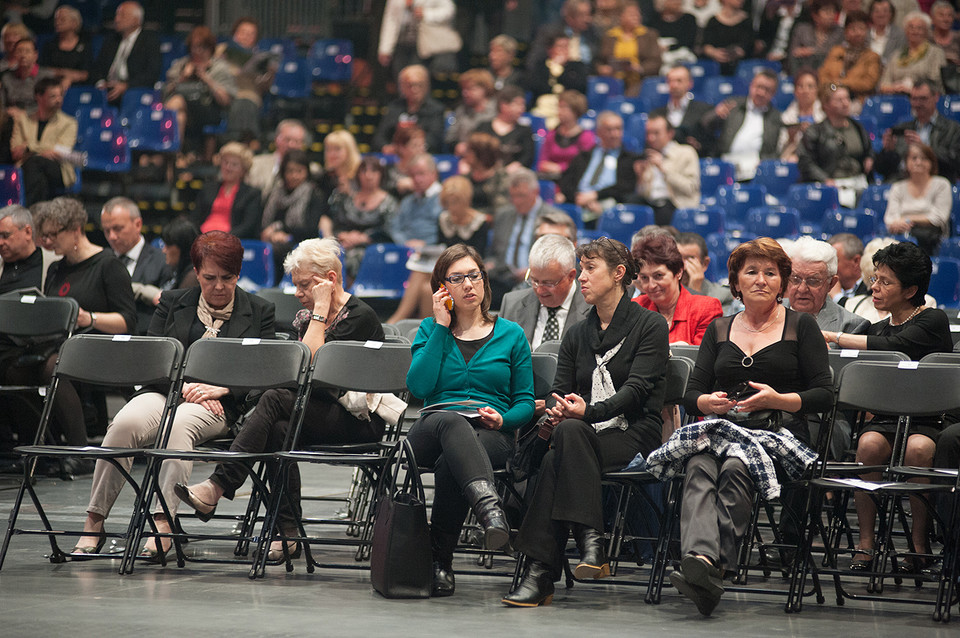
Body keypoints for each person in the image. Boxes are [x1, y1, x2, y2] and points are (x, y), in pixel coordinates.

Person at [176, 238, 385, 562]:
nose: (298, 293)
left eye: (304, 285)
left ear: (329, 280)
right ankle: (288, 534)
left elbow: (311, 369)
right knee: (276, 431)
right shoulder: (307, 318)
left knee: (275, 399)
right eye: (296, 285)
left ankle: (218, 485)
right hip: (309, 412)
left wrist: (319, 308)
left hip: (356, 421)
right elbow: (293, 375)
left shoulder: (360, 316)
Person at [72, 231, 275, 560]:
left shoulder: (261, 311)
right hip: (169, 390)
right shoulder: (172, 302)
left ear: (238, 274)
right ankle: (94, 519)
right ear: (196, 273)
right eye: (210, 278)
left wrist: (224, 389)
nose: (219, 286)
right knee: (124, 424)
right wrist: (181, 387)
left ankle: (163, 521)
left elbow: (268, 370)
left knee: (180, 425)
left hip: (220, 403)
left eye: (228, 277)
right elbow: (154, 359)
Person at [659, 237, 833, 615]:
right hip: (724, 429)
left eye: (771, 273)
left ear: (782, 283)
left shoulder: (801, 327)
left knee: (739, 466)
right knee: (698, 466)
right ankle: (705, 565)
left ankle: (707, 562)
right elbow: (693, 394)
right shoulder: (720, 328)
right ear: (736, 282)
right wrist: (708, 402)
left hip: (780, 431)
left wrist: (777, 399)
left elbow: (824, 394)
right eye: (751, 271)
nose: (761, 279)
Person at [502, 237, 668, 607]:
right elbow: (561, 392)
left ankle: (541, 572)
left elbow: (637, 392)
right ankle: (590, 542)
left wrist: (586, 413)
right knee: (567, 438)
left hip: (634, 433)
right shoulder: (578, 333)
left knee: (555, 458)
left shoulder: (650, 325)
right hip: (582, 435)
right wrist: (562, 409)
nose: (583, 278)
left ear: (619, 274)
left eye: (591, 269)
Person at [406, 244, 535, 597]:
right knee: (451, 421)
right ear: (442, 289)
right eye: (457, 278)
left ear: (484, 280)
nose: (468, 285)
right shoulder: (429, 331)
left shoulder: (510, 334)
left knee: (454, 459)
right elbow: (418, 387)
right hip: (431, 429)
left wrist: (503, 418)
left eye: (473, 275)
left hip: (488, 433)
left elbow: (525, 402)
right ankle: (490, 510)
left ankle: (439, 561)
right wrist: (440, 326)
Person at [820, 242, 952, 575]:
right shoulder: (875, 327)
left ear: (910, 290)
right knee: (868, 444)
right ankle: (867, 544)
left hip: (930, 420)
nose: (874, 288)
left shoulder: (932, 321)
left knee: (919, 449)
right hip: (886, 420)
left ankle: (918, 545)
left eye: (885, 282)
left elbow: (894, 347)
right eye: (875, 279)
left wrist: (833, 337)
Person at [26, 199, 137, 459]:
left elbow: (128, 322)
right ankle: (40, 449)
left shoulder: (108, 265)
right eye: (45, 236)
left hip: (103, 348)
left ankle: (79, 451)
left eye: (54, 234)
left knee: (56, 366)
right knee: (16, 368)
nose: (48, 241)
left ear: (75, 229)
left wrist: (91, 318)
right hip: (63, 345)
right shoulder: (56, 268)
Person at [389, 176, 490, 324]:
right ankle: (406, 321)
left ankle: (405, 321)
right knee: (419, 272)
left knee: (426, 289)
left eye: (455, 202)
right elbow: (441, 248)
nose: (451, 207)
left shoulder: (480, 223)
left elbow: (478, 257)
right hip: (445, 268)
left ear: (465, 200)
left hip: (466, 273)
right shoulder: (444, 219)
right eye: (448, 203)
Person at [500, 233, 589, 351]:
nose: (540, 290)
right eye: (534, 280)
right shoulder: (512, 304)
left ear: (571, 276)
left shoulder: (594, 309)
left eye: (548, 283)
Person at [99, 197, 173, 334]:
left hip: (146, 341)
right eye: (106, 230)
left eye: (118, 228)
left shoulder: (162, 261)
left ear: (138, 224)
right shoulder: (100, 260)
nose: (112, 237)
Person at [632, 233, 722, 346]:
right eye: (644, 278)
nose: (651, 285)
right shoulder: (635, 308)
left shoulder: (706, 309)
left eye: (658, 276)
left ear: (678, 272)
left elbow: (701, 358)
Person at [489, 168, 564, 302]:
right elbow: (493, 253)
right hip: (501, 278)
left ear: (535, 192)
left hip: (536, 281)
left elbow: (559, 259)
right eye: (513, 196)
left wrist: (533, 270)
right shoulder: (503, 215)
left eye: (521, 195)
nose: (516, 201)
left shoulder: (553, 218)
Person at [557, 111, 639, 226]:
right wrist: (578, 198)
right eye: (609, 130)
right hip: (578, 202)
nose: (614, 134)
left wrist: (595, 195)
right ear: (598, 132)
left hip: (607, 204)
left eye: (618, 129)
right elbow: (566, 181)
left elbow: (625, 186)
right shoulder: (584, 156)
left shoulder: (628, 159)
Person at [797, 84, 873, 208]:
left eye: (847, 99)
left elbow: (868, 150)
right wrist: (825, 180)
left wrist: (870, 158)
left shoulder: (858, 127)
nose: (845, 103)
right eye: (839, 100)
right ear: (826, 105)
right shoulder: (815, 131)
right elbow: (805, 162)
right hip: (831, 186)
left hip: (859, 183)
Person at [700, 70, 782, 180]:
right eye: (758, 87)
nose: (761, 92)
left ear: (774, 93)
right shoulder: (733, 105)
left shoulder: (776, 118)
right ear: (751, 85)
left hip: (757, 170)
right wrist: (716, 115)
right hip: (726, 165)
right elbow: (705, 126)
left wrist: (764, 164)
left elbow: (776, 151)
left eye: (767, 90)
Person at [162, 25, 236, 148]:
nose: (197, 52)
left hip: (209, 111)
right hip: (185, 112)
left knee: (176, 104)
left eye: (202, 48)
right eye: (194, 47)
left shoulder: (219, 68)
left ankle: (166, 153)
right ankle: (173, 155)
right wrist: (183, 78)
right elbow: (165, 92)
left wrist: (206, 78)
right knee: (178, 115)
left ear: (210, 48)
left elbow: (225, 100)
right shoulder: (181, 64)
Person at [875, 79, 960, 183]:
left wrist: (925, 149)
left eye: (923, 99)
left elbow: (955, 163)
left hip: (936, 182)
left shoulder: (952, 128)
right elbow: (881, 170)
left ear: (936, 97)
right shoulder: (902, 128)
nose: (917, 104)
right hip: (903, 183)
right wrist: (888, 151)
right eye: (914, 99)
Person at [785, 236, 870, 340]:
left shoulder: (850, 326)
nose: (802, 289)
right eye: (795, 279)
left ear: (831, 284)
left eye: (813, 281)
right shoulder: (768, 312)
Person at [9, 77, 77, 205]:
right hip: (28, 169)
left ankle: (26, 210)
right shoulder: (23, 120)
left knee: (36, 162)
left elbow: (60, 151)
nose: (59, 100)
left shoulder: (69, 123)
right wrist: (44, 150)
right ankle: (39, 212)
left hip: (57, 169)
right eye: (53, 96)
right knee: (39, 176)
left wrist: (29, 148)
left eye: (60, 95)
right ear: (39, 97)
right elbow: (16, 152)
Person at [261, 149, 326, 282]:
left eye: (299, 171)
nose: (294, 176)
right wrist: (272, 235)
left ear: (306, 172)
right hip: (271, 240)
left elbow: (311, 230)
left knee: (276, 251)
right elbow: (262, 224)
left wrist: (283, 232)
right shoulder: (274, 193)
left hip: (301, 244)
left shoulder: (314, 195)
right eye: (290, 171)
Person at [322, 156, 397, 270]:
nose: (368, 175)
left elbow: (390, 230)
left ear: (381, 174)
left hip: (375, 248)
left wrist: (364, 238)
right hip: (345, 244)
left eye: (373, 171)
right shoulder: (346, 199)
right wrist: (344, 236)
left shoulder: (389, 202)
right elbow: (337, 223)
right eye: (364, 171)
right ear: (358, 175)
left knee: (354, 258)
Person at [217, 17, 278, 146]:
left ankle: (237, 142)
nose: (246, 37)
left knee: (245, 102)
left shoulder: (260, 57)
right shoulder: (222, 50)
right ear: (235, 33)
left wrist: (271, 73)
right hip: (224, 92)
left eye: (251, 34)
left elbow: (265, 87)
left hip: (250, 93)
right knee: (240, 101)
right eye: (243, 32)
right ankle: (250, 142)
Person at [630, 115, 700, 226]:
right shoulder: (648, 155)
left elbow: (690, 188)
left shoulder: (686, 152)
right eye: (648, 133)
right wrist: (640, 177)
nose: (651, 138)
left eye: (656, 133)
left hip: (676, 205)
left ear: (670, 133)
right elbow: (643, 193)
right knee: (630, 206)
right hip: (650, 205)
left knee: (663, 211)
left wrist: (663, 169)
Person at [883, 143, 952, 256]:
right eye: (914, 158)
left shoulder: (942, 184)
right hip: (901, 238)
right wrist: (896, 224)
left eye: (924, 158)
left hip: (932, 240)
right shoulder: (897, 188)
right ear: (906, 163)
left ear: (931, 163)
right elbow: (890, 218)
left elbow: (940, 217)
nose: (918, 162)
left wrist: (908, 219)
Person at [90, 1, 161, 104]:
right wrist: (100, 83)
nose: (116, 19)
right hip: (107, 90)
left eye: (122, 15)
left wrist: (126, 86)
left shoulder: (150, 42)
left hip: (133, 91)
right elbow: (97, 68)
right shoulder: (110, 41)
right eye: (116, 15)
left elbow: (152, 74)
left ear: (136, 20)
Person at [192, 142, 262, 239]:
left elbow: (248, 226)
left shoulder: (252, 194)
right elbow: (195, 218)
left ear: (243, 170)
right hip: (202, 239)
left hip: (231, 241)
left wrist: (224, 238)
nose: (228, 168)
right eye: (225, 162)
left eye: (234, 164)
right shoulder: (208, 188)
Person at [372, 64, 446, 153]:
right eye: (410, 85)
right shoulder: (394, 107)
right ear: (402, 87)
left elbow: (434, 139)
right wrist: (385, 147)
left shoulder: (436, 109)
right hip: (395, 155)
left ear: (426, 86)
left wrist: (414, 148)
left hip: (423, 155)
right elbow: (379, 136)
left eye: (419, 84)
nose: (414, 89)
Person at [377, 0, 460, 78]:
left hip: (423, 46)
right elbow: (391, 20)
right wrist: (385, 49)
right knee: (401, 78)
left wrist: (425, 13)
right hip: (401, 44)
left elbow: (449, 10)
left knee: (418, 77)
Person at [596, 1, 662, 95]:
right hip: (613, 80)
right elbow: (599, 60)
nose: (636, 17)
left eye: (638, 14)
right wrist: (602, 69)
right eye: (631, 14)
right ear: (620, 16)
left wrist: (640, 68)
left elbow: (656, 61)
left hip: (640, 81)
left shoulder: (649, 35)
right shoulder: (609, 36)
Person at [818, 11, 882, 103]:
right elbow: (823, 74)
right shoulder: (836, 51)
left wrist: (842, 83)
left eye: (861, 28)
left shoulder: (872, 56)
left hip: (858, 100)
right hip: (831, 96)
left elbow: (868, 83)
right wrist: (833, 87)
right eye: (853, 29)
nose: (857, 33)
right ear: (845, 32)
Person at [878, 11, 946, 94]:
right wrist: (895, 88)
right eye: (911, 27)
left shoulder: (936, 52)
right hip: (897, 96)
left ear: (927, 32)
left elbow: (936, 82)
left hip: (924, 97)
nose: (915, 31)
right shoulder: (896, 54)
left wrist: (913, 87)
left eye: (919, 28)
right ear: (906, 31)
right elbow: (884, 84)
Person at [527, 0, 602, 75]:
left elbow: (597, 61)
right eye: (582, 15)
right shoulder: (549, 33)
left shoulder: (593, 34)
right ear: (569, 17)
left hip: (586, 80)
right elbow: (533, 62)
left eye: (590, 14)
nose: (588, 19)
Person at [650, 65, 712, 152]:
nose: (674, 85)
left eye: (679, 81)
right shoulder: (658, 113)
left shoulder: (703, 110)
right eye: (670, 81)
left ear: (690, 83)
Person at [387, 153, 443, 250]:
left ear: (434, 174)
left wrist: (426, 243)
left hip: (434, 250)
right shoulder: (406, 202)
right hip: (405, 249)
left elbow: (446, 233)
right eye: (413, 175)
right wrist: (405, 242)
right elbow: (394, 228)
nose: (417, 179)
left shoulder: (444, 200)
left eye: (421, 173)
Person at [536, 89, 595, 180]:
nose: (559, 111)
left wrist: (560, 168)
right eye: (559, 107)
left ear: (575, 111)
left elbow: (585, 165)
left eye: (564, 107)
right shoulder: (551, 134)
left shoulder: (586, 137)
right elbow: (542, 163)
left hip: (574, 180)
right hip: (550, 178)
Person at [246, 119, 309, 203]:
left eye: (297, 141)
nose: (291, 145)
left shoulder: (312, 171)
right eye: (287, 140)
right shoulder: (254, 164)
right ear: (276, 139)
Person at [474, 85, 535, 172]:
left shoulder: (525, 130)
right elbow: (474, 151)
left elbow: (528, 157)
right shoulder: (483, 127)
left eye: (523, 104)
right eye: (518, 104)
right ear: (504, 106)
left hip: (513, 175)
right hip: (484, 172)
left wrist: (511, 168)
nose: (522, 108)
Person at [0, 204, 57, 294]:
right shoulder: (1, 266)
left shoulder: (54, 263)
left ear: (27, 232)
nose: (0, 242)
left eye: (5, 236)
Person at [675, 232, 734, 309]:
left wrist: (694, 291)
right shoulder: (662, 293)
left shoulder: (722, 297)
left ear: (704, 264)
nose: (683, 267)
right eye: (678, 259)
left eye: (690, 259)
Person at [444, 69, 497, 154]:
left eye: (470, 89)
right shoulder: (460, 111)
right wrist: (457, 145)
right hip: (464, 156)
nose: (464, 93)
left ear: (484, 89)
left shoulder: (497, 110)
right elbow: (450, 138)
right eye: (463, 89)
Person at [778, 68, 824, 163]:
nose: (805, 91)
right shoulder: (786, 117)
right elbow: (780, 150)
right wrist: (791, 138)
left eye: (810, 86)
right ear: (795, 91)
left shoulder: (825, 113)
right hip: (795, 158)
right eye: (800, 86)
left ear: (817, 89)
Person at [39, 5, 91, 88]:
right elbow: (43, 69)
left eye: (62, 19)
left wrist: (70, 78)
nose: (57, 22)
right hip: (51, 85)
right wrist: (65, 74)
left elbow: (86, 73)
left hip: (77, 86)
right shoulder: (49, 45)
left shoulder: (85, 45)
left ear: (74, 23)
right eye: (56, 20)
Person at [460, 131, 510, 217]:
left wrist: (474, 215)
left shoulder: (501, 179)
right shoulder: (465, 178)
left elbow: (501, 209)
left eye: (469, 151)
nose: (465, 153)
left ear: (481, 155)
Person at [698, 0, 754, 75]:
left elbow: (748, 46)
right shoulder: (713, 20)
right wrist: (714, 52)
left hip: (739, 66)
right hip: (714, 64)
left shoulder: (747, 21)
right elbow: (706, 45)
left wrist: (735, 52)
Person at [788, 0, 844, 73]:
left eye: (833, 11)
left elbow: (836, 54)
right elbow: (793, 53)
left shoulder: (839, 32)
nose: (831, 15)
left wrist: (812, 51)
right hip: (801, 73)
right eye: (826, 11)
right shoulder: (802, 29)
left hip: (828, 74)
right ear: (815, 15)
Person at [0, 38, 53, 114]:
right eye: (19, 51)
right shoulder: (6, 77)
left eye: (27, 51)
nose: (23, 55)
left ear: (35, 55)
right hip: (12, 117)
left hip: (37, 117)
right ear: (15, 55)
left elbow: (48, 104)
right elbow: (2, 104)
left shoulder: (46, 76)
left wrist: (24, 113)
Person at [158, 217, 200, 290]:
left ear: (182, 247)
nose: (164, 250)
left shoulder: (192, 278)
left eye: (168, 246)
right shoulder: (177, 271)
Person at [829, 232, 867, 304]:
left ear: (856, 261)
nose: (829, 268)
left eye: (834, 262)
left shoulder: (871, 290)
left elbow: (859, 313)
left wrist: (837, 297)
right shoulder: (826, 290)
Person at [867, 0, 906, 65]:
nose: (881, 14)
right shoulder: (864, 34)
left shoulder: (900, 35)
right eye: (877, 11)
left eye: (885, 11)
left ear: (891, 14)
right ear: (871, 14)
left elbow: (901, 58)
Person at [930, 1, 960, 66]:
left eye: (950, 15)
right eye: (941, 15)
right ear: (932, 18)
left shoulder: (958, 37)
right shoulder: (927, 39)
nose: (946, 19)